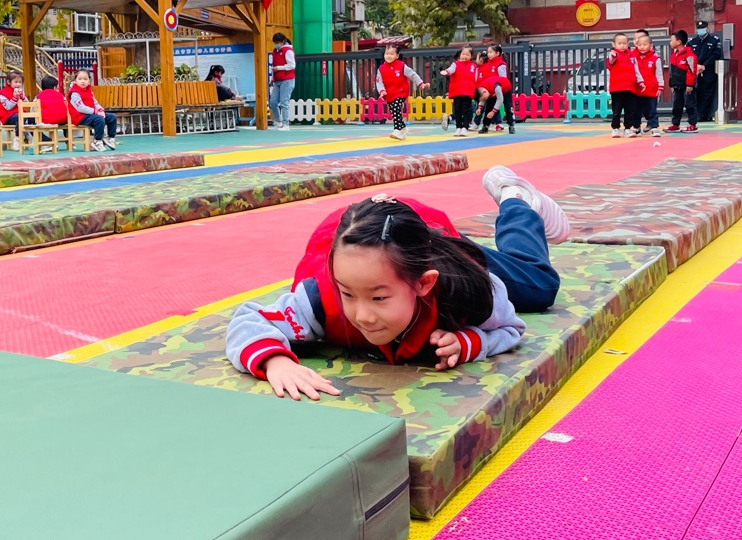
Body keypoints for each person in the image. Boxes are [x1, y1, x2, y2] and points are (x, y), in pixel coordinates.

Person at [223, 167, 571, 399]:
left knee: (540, 287)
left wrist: (470, 341)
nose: (362, 315)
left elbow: (511, 328)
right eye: (348, 294)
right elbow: (249, 319)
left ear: (423, 285)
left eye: (378, 298)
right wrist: (275, 362)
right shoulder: (320, 299)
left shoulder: (466, 291)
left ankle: (517, 200)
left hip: (425, 235)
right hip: (358, 236)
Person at [375, 43, 424, 141]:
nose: (389, 56)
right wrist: (382, 91)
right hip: (389, 94)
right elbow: (379, 82)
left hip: (401, 92)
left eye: (391, 54)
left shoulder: (401, 66)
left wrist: (420, 83)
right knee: (394, 113)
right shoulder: (381, 69)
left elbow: (412, 75)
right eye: (387, 54)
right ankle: (403, 128)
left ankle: (397, 130)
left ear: (397, 56)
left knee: (396, 108)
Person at [67, 68, 119, 149]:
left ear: (89, 80)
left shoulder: (89, 91)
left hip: (91, 115)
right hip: (80, 117)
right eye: (80, 79)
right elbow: (80, 108)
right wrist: (96, 112)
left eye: (85, 79)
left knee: (112, 117)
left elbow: (95, 103)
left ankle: (111, 138)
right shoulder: (74, 92)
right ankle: (97, 141)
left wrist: (101, 110)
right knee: (99, 119)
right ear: (75, 80)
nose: (83, 81)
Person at [631, 30, 664, 138]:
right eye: (640, 45)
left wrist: (660, 87)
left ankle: (654, 127)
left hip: (651, 89)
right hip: (638, 90)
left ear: (651, 45)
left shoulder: (655, 58)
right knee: (636, 110)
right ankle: (636, 127)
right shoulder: (634, 57)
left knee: (652, 110)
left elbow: (659, 74)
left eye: (645, 44)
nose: (642, 47)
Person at [439, 46, 478, 137]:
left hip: (468, 91)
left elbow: (476, 79)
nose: (464, 56)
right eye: (463, 54)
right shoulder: (456, 64)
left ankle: (465, 127)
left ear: (471, 56)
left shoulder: (473, 66)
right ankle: (458, 127)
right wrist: (447, 71)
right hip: (457, 91)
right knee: (457, 110)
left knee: (466, 110)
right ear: (460, 54)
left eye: (467, 54)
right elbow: (451, 70)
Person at [605, 32, 639, 138]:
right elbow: (611, 61)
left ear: (628, 44)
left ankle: (628, 128)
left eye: (624, 43)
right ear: (614, 44)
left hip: (630, 87)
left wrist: (640, 81)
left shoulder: (631, 55)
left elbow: (636, 69)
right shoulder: (613, 54)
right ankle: (615, 128)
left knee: (630, 109)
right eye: (619, 43)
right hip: (617, 88)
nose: (622, 45)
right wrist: (612, 56)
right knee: (617, 109)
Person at [665, 30, 698, 133]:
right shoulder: (674, 55)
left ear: (679, 41)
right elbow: (672, 72)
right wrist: (671, 84)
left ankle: (692, 124)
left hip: (687, 85)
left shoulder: (689, 54)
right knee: (677, 105)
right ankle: (675, 124)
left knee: (690, 105)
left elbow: (692, 70)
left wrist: (690, 84)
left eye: (672, 40)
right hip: (677, 85)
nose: (670, 42)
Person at [691, 20, 721, 122]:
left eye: (703, 28)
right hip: (696, 71)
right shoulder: (693, 42)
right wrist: (697, 66)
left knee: (707, 93)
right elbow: (689, 56)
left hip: (708, 70)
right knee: (697, 93)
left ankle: (705, 115)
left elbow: (716, 54)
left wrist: (704, 65)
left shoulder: (714, 40)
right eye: (699, 28)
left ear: (707, 28)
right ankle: (698, 115)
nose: (701, 30)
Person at [484, 44, 515, 134]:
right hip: (492, 89)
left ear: (497, 53)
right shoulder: (487, 64)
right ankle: (485, 125)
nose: (489, 54)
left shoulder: (501, 64)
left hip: (503, 89)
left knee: (508, 108)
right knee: (488, 107)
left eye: (491, 52)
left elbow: (503, 79)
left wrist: (498, 89)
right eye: (488, 52)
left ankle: (511, 125)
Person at [269, 31, 296, 131]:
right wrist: (273, 78)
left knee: (284, 102)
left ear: (283, 41)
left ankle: (286, 124)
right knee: (273, 102)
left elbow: (292, 65)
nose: (276, 44)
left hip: (287, 80)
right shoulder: (275, 51)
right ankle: (278, 121)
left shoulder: (288, 51)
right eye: (275, 42)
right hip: (277, 80)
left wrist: (279, 68)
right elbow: (274, 66)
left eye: (277, 42)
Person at [473, 52, 504, 134]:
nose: (476, 60)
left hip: (489, 89)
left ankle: (496, 123)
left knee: (491, 106)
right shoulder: (478, 68)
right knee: (486, 106)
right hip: (483, 89)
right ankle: (486, 124)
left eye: (477, 58)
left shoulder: (486, 67)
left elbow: (500, 99)